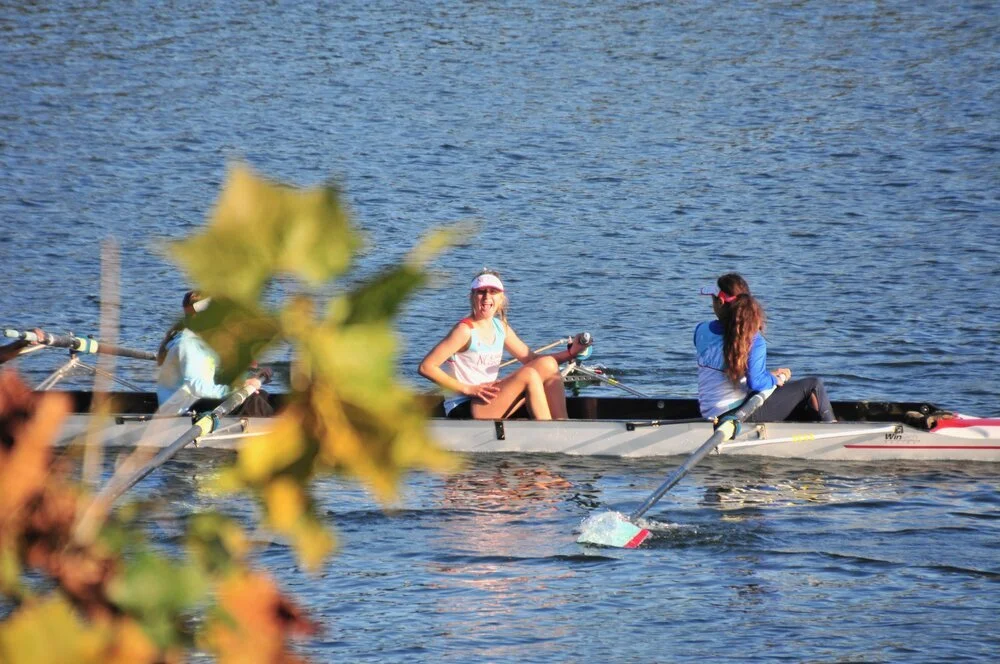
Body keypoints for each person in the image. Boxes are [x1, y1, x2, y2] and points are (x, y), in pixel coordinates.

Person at [418, 269, 590, 420]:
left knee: (547, 363)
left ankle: (562, 423)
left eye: (493, 292)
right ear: (472, 297)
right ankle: (547, 431)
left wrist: (571, 353)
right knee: (529, 374)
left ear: (501, 298)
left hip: (489, 399)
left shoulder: (501, 328)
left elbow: (532, 359)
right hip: (466, 406)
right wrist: (468, 389)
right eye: (481, 292)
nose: (486, 297)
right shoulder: (464, 331)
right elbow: (426, 367)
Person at [695, 275, 835, 423]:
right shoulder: (753, 339)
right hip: (736, 416)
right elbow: (755, 383)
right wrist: (775, 379)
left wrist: (767, 376)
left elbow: (727, 370)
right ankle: (835, 433)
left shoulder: (701, 330)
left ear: (720, 302)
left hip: (710, 413)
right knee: (814, 385)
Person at [156, 291, 273, 416]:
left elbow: (214, 377)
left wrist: (249, 377)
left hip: (194, 400)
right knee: (252, 402)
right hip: (179, 409)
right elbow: (197, 387)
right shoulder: (186, 345)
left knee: (261, 395)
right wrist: (236, 388)